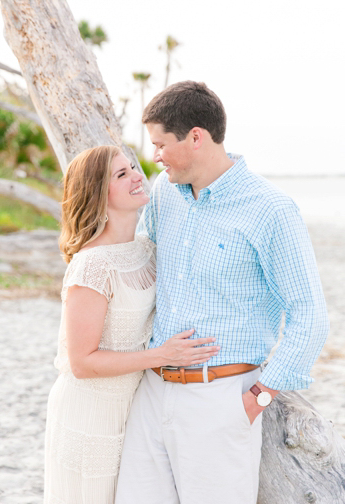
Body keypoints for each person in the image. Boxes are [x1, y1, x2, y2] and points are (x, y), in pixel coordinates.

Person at [115, 81, 330, 504]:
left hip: (220, 400)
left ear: (196, 137)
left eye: (160, 144)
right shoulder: (164, 193)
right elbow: (144, 265)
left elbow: (310, 317)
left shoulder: (271, 210)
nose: (153, 156)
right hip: (151, 391)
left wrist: (258, 396)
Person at [44, 145, 220, 504]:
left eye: (134, 168)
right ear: (97, 193)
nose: (138, 176)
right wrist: (162, 355)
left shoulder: (145, 249)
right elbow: (82, 363)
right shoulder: (92, 265)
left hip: (135, 407)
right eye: (122, 174)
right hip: (90, 413)